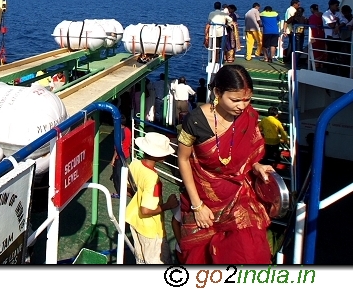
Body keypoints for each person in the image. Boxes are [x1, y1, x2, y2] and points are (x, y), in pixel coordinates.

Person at [175, 65, 274, 264]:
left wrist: (255, 165)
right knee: (199, 256)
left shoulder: (250, 116)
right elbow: (183, 159)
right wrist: (197, 206)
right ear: (217, 92)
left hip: (239, 194)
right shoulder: (196, 121)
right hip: (204, 196)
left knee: (248, 250)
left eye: (247, 99)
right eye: (235, 100)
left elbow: (249, 153)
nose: (242, 106)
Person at [125, 132, 179, 264]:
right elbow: (146, 210)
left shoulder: (135, 164)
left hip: (135, 222)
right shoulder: (153, 179)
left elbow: (128, 190)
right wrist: (168, 205)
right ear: (158, 155)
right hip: (151, 231)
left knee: (141, 260)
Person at [204, 2, 234, 69]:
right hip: (222, 32)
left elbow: (209, 21)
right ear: (220, 7)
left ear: (214, 7)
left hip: (214, 32)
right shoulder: (223, 14)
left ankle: (215, 59)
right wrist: (228, 25)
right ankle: (221, 58)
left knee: (215, 46)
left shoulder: (211, 13)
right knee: (222, 47)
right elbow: (230, 20)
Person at [110, 117, 132, 199]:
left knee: (118, 176)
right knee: (121, 174)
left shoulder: (120, 133)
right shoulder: (128, 130)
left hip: (119, 156)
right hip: (125, 155)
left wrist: (113, 159)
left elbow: (118, 147)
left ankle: (120, 193)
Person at [307, 4, 326, 71]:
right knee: (321, 49)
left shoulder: (312, 17)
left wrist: (312, 36)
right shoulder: (323, 15)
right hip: (322, 34)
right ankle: (321, 64)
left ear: (312, 9)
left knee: (315, 50)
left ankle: (316, 65)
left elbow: (312, 27)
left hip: (315, 35)